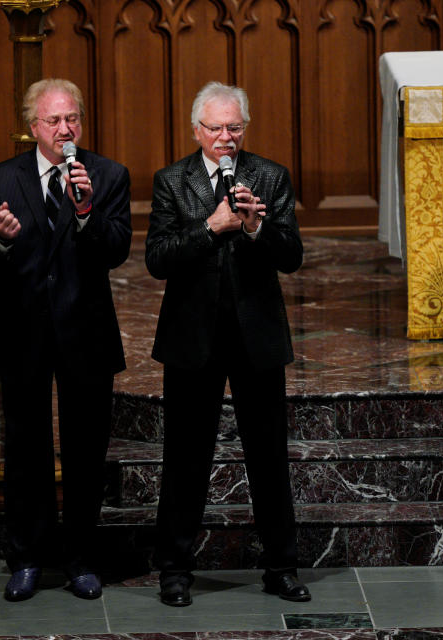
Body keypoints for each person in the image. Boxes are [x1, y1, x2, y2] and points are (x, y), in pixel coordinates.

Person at [145, 81, 309, 606]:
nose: (225, 138)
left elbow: (292, 257)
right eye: (214, 128)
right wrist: (211, 227)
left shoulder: (271, 176)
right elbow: (157, 259)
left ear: (245, 129)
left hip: (256, 337)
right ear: (196, 130)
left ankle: (281, 567)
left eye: (234, 128)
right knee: (185, 458)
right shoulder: (172, 181)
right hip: (192, 338)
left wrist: (259, 228)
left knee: (268, 457)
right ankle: (174, 569)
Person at [0, 78, 132, 601]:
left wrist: (85, 210)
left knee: (86, 451)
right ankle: (27, 558)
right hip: (23, 332)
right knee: (25, 450)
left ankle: (81, 558)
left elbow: (116, 250)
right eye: (53, 121)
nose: (65, 130)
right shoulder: (1, 177)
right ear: (31, 127)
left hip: (85, 331)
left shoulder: (106, 175)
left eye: (73, 119)